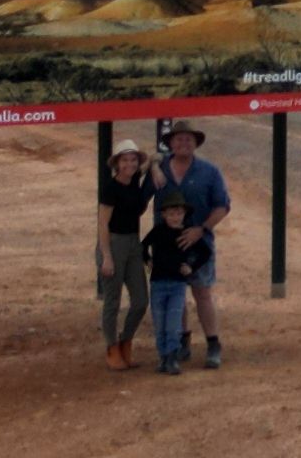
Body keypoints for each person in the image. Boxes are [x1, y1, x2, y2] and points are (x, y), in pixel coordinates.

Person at [151, 119, 234, 369]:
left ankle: (213, 343)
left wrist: (202, 229)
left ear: (195, 143)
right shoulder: (160, 169)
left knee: (202, 293)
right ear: (170, 144)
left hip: (199, 244)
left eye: (188, 139)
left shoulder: (209, 171)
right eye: (178, 139)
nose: (183, 143)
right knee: (175, 293)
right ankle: (181, 342)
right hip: (167, 246)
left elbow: (222, 205)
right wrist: (153, 163)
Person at [97, 142, 155, 368]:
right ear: (117, 164)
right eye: (124, 160)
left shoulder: (134, 179)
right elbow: (103, 223)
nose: (129, 164)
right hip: (114, 242)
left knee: (140, 300)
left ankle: (125, 341)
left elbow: (150, 161)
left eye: (133, 159)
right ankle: (112, 348)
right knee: (112, 300)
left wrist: (155, 162)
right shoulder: (111, 188)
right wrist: (106, 256)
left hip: (133, 242)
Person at [143, 198, 207, 375]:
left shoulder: (186, 233)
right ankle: (163, 357)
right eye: (171, 214)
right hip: (158, 282)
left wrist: (191, 267)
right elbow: (143, 245)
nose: (175, 217)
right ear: (164, 215)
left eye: (178, 213)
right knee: (159, 322)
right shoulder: (158, 231)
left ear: (184, 214)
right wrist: (148, 260)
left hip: (177, 283)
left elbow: (205, 252)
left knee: (173, 322)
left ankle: (171, 356)